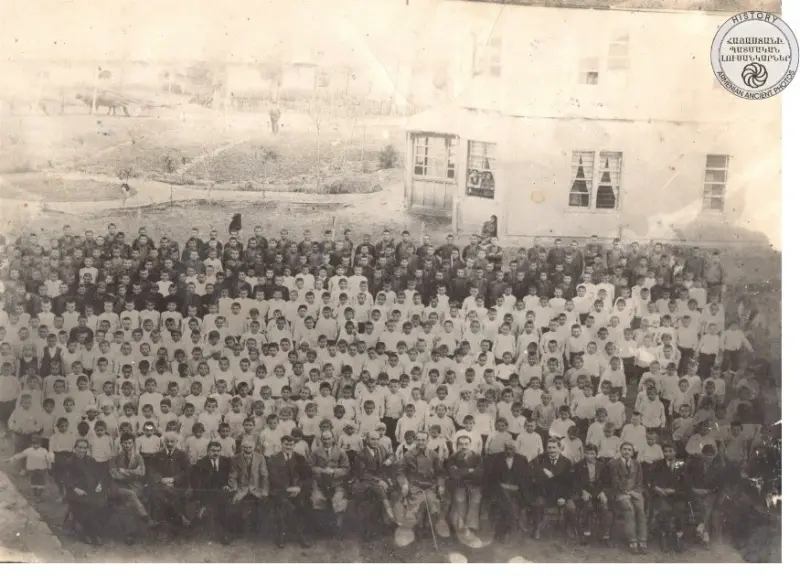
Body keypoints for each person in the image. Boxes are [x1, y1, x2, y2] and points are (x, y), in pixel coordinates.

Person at [396, 431, 446, 536]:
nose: (421, 442)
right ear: (415, 440)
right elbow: (400, 472)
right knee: (417, 504)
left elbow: (440, 473)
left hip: (430, 486)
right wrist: (404, 484)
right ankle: (417, 527)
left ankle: (428, 526)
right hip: (414, 486)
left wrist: (441, 485)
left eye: (423, 440)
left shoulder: (433, 454)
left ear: (427, 441)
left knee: (432, 502)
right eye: (418, 440)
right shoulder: (408, 454)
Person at [267, 435, 313, 548]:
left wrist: (299, 487)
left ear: (294, 445)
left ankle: (298, 532)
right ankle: (289, 534)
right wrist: (287, 489)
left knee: (302, 503)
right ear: (281, 444)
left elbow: (307, 476)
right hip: (280, 490)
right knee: (284, 504)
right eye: (286, 444)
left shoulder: (300, 457)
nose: (288, 447)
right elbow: (274, 478)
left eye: (291, 445)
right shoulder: (273, 458)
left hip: (297, 490)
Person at [109, 432, 154, 542]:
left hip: (135, 487)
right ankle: (146, 518)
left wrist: (125, 471)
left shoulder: (138, 457)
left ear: (133, 444)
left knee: (128, 502)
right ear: (121, 443)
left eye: (130, 443)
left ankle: (130, 534)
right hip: (119, 488)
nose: (127, 446)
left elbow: (142, 472)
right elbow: (114, 475)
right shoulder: (114, 458)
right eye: (125, 443)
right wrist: (133, 473)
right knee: (129, 495)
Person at [352, 431, 398, 538]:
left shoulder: (381, 448)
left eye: (377, 439)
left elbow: (392, 454)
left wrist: (389, 460)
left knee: (393, 492)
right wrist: (378, 481)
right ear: (367, 440)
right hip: (366, 481)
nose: (375, 441)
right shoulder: (361, 454)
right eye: (372, 439)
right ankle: (391, 517)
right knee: (380, 490)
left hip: (382, 478)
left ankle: (388, 523)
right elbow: (362, 473)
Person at [484, 438, 531, 543]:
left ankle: (505, 531)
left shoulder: (522, 459)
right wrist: (501, 487)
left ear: (516, 449)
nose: (509, 451)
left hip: (517, 490)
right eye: (507, 449)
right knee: (507, 506)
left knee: (512, 505)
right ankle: (505, 532)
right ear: (504, 449)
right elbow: (492, 477)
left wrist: (518, 488)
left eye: (512, 449)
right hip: (501, 490)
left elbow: (526, 477)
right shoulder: (497, 458)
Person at [64, 438, 108, 545]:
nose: (82, 450)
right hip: (75, 491)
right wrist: (75, 489)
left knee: (100, 503)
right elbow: (66, 479)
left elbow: (100, 475)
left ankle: (89, 531)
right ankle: (92, 534)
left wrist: (100, 485)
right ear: (75, 448)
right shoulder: (70, 461)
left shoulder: (91, 460)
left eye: (84, 448)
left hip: (91, 490)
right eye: (80, 447)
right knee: (87, 505)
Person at [530, 436, 576, 539]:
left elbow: (569, 483)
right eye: (549, 448)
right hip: (545, 493)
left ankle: (569, 527)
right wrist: (546, 476)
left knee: (571, 508)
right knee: (537, 504)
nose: (551, 450)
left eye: (554, 447)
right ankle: (537, 528)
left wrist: (563, 497)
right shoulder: (540, 459)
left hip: (562, 495)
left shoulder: (566, 462)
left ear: (559, 448)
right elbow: (536, 477)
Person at [191, 440, 234, 544]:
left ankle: (222, 532)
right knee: (219, 501)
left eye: (218, 451)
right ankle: (220, 533)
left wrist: (228, 485)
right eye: (213, 451)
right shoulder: (201, 463)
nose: (215, 453)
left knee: (223, 502)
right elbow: (199, 483)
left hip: (223, 490)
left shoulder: (226, 461)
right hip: (207, 491)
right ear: (207, 451)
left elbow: (231, 476)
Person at [609, 441, 648, 554]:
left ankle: (642, 540)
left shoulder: (637, 464)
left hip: (635, 492)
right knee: (629, 509)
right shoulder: (613, 464)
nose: (627, 451)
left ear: (632, 452)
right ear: (620, 451)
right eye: (624, 449)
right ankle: (632, 541)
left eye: (629, 450)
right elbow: (615, 481)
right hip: (620, 493)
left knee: (640, 510)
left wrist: (634, 492)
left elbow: (640, 481)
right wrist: (626, 492)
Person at [147, 431, 192, 528]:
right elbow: (152, 470)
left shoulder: (182, 455)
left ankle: (166, 521)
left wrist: (173, 479)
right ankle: (180, 517)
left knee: (169, 494)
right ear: (164, 442)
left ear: (176, 442)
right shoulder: (157, 455)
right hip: (161, 484)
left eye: (172, 441)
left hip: (177, 485)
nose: (169, 444)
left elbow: (187, 471)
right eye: (167, 441)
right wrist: (161, 480)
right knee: (161, 493)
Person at [227, 436, 269, 539]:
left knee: (263, 503)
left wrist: (264, 490)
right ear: (241, 447)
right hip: (242, 488)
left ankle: (258, 528)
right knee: (235, 503)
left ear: (254, 447)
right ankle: (238, 530)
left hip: (256, 488)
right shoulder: (235, 458)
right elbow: (232, 476)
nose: (247, 450)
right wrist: (235, 490)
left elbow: (264, 476)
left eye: (250, 447)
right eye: (245, 447)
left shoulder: (260, 457)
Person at [309, 430, 351, 529]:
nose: (326, 441)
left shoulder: (341, 451)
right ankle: (321, 526)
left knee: (339, 500)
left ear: (333, 439)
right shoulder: (315, 452)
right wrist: (322, 470)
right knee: (317, 499)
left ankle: (338, 527)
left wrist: (334, 471)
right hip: (320, 482)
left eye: (329, 438)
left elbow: (346, 469)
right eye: (324, 439)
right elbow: (310, 467)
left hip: (337, 482)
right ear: (321, 439)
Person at [648, 443, 687, 552]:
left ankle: (679, 537)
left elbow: (686, 484)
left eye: (670, 451)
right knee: (664, 510)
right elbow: (650, 481)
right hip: (661, 495)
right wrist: (657, 488)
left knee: (680, 509)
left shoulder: (682, 465)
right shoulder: (657, 464)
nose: (667, 453)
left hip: (677, 496)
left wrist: (675, 491)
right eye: (665, 451)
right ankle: (664, 536)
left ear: (675, 452)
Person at [684, 443, 724, 547]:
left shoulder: (717, 467)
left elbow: (719, 484)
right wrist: (695, 490)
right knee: (702, 504)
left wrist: (708, 491)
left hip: (711, 492)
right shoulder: (695, 465)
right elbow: (688, 480)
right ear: (702, 454)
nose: (708, 457)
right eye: (706, 454)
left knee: (707, 504)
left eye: (710, 455)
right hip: (697, 491)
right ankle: (704, 531)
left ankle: (703, 530)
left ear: (714, 455)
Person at [571, 443, 612, 545]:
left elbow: (607, 482)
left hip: (598, 493)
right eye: (587, 453)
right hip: (585, 492)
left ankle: (604, 535)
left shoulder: (602, 466)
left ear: (596, 454)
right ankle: (586, 534)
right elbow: (575, 482)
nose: (590, 456)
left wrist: (603, 492)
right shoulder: (578, 466)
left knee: (605, 508)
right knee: (588, 506)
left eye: (592, 453)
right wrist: (582, 491)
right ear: (584, 454)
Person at [446, 434, 483, 537]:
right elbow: (454, 474)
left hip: (474, 484)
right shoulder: (453, 457)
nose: (464, 446)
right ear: (457, 445)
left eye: (466, 444)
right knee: (459, 500)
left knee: (476, 500)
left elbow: (479, 473)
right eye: (461, 444)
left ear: (470, 444)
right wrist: (470, 470)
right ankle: (459, 528)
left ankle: (471, 528)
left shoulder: (477, 457)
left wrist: (461, 471)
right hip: (459, 484)